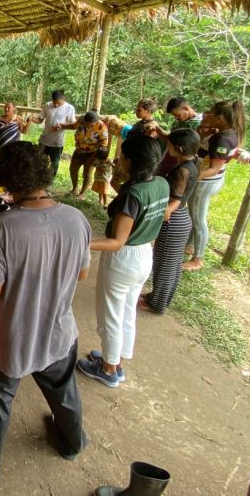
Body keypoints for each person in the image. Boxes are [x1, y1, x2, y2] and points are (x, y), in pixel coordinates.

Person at [0, 141, 91, 481]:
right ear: (44, 173)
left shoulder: (0, 228)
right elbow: (81, 273)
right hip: (58, 333)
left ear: (5, 180)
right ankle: (72, 441)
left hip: (11, 340)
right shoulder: (76, 219)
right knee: (64, 392)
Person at [77, 136, 169, 388]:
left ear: (132, 160)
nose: (119, 158)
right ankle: (116, 362)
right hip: (144, 255)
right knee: (126, 311)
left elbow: (117, 241)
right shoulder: (160, 183)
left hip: (124, 258)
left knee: (110, 315)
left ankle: (107, 370)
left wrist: (82, 243)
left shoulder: (134, 194)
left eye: (123, 155)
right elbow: (141, 208)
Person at [142, 129, 200, 313]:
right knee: (172, 264)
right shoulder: (192, 164)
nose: (167, 147)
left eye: (170, 144)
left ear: (179, 148)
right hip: (182, 219)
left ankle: (157, 304)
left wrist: (158, 218)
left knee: (164, 265)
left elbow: (174, 201)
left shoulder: (182, 170)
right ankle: (161, 298)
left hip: (173, 220)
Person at [185, 100, 245, 271]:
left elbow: (213, 168)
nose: (205, 114)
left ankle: (198, 259)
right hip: (207, 181)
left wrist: (191, 176)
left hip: (205, 182)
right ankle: (189, 246)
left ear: (219, 117)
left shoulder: (222, 139)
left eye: (210, 112)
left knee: (198, 218)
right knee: (193, 214)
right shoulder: (223, 133)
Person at [30, 90, 77, 183]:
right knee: (38, 160)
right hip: (44, 139)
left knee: (54, 164)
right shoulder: (47, 105)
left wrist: (62, 126)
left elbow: (74, 126)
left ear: (63, 99)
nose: (55, 105)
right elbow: (40, 120)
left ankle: (49, 182)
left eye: (58, 103)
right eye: (54, 103)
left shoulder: (69, 108)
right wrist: (32, 118)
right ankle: (38, 180)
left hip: (57, 142)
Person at [60, 111, 109, 198]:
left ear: (96, 122)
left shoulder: (102, 127)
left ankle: (82, 193)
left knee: (87, 173)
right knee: (73, 169)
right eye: (86, 124)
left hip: (93, 153)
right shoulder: (81, 120)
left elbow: (103, 145)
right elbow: (73, 126)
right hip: (79, 150)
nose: (88, 126)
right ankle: (74, 189)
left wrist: (94, 157)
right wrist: (61, 125)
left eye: (90, 125)